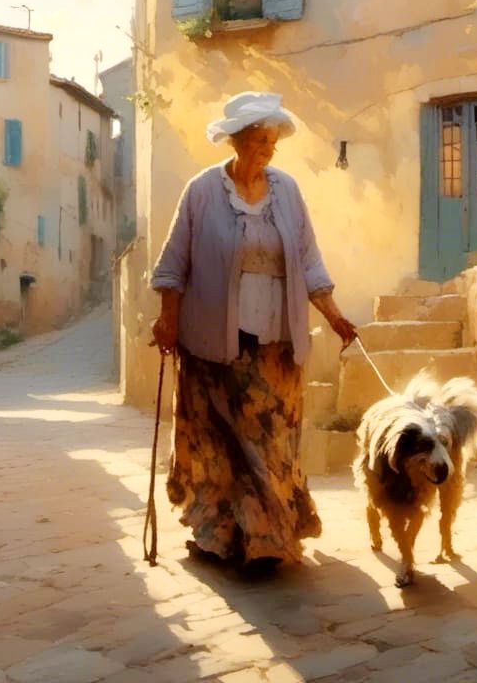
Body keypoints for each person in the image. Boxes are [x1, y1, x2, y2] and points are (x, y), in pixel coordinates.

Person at [150, 91, 357, 575]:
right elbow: (174, 261)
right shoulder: (202, 191)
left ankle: (268, 534)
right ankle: (220, 533)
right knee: (220, 440)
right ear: (238, 141)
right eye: (260, 140)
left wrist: (333, 313)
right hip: (213, 341)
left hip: (277, 342)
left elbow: (308, 258)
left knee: (269, 440)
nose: (269, 149)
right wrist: (167, 319)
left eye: (272, 141)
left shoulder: (286, 191)